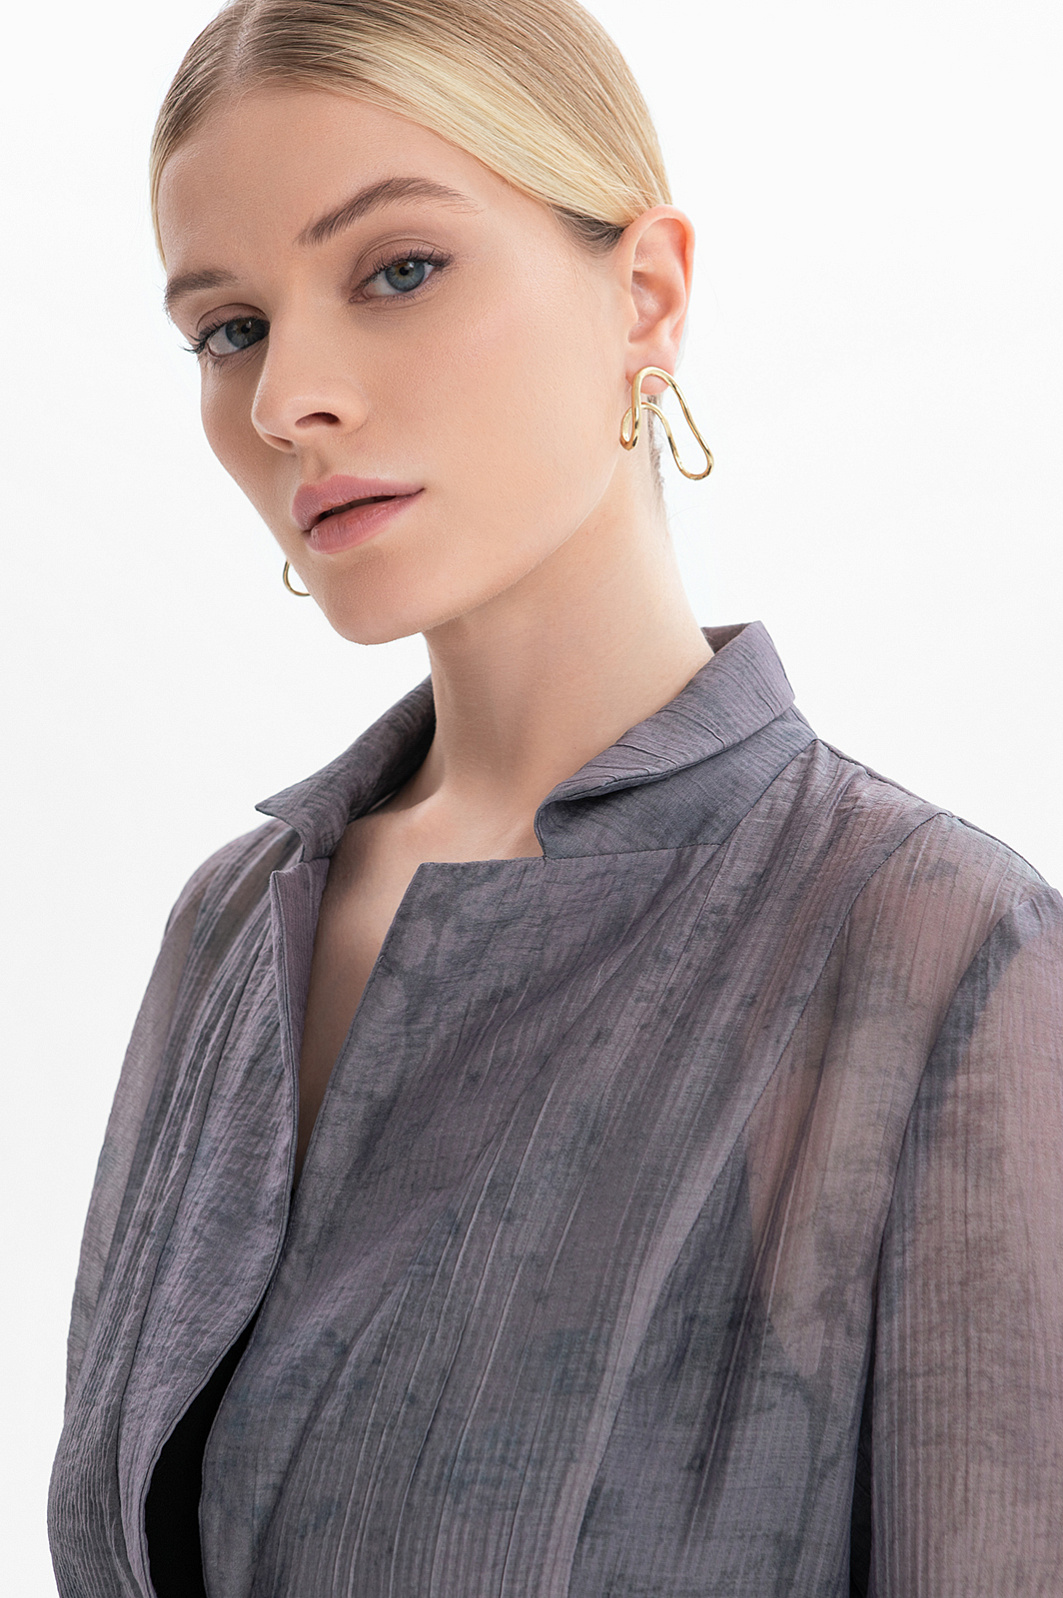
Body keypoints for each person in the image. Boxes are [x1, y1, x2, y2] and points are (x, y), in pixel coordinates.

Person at [47, 1, 1063, 1594]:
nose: (287, 395)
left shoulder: (934, 950)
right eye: (230, 327)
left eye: (398, 269)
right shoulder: (232, 926)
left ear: (645, 293)